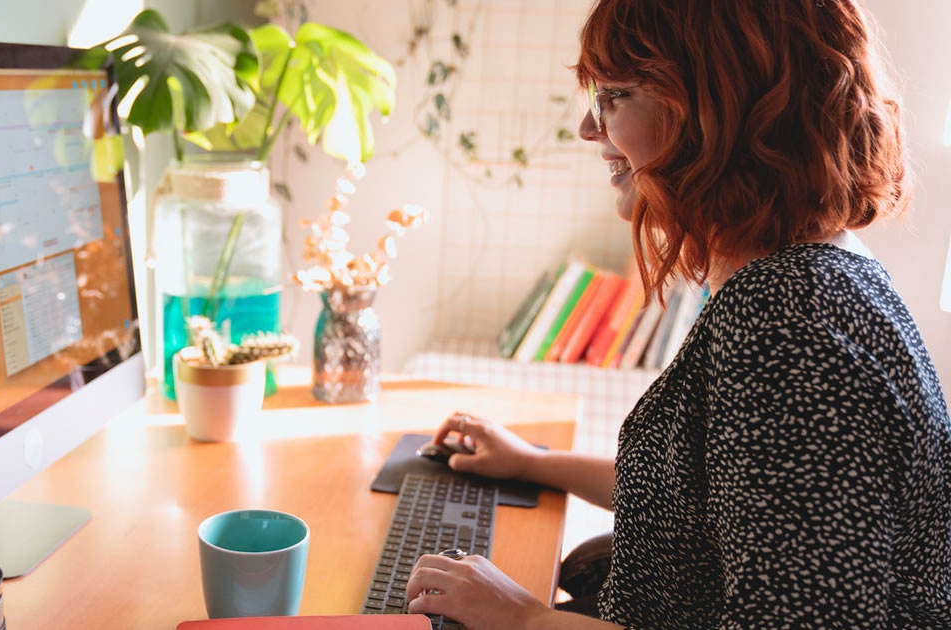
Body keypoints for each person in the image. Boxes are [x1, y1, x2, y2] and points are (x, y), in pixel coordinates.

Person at [404, 1, 951, 628]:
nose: (589, 127)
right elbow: (713, 497)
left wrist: (524, 617)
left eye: (614, 95)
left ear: (718, 110)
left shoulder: (790, 326)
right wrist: (532, 462)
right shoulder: (813, 268)